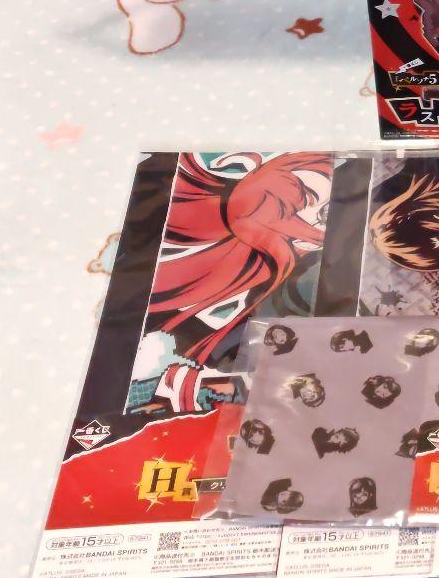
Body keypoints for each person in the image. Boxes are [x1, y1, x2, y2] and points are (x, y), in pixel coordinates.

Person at [132, 152, 332, 414]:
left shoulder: (260, 298)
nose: (310, 217)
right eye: (302, 194)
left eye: (324, 217)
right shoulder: (160, 197)